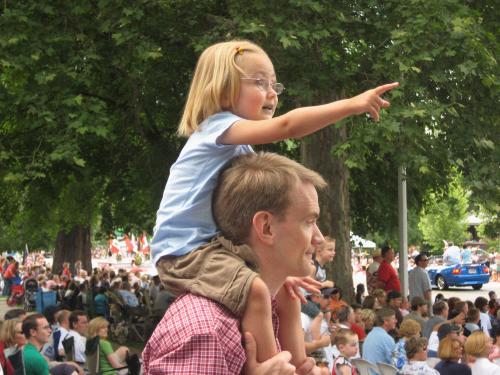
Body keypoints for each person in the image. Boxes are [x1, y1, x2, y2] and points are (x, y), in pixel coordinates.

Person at [149, 39, 398, 370]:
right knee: (256, 290)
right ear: (222, 89)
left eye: (274, 84)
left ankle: (298, 363)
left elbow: (276, 201)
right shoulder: (217, 128)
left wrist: (307, 241)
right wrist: (351, 105)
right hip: (184, 253)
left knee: (287, 292)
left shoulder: (240, 150)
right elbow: (288, 126)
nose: (272, 93)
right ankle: (271, 365)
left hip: (213, 247)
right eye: (259, 82)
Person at [144, 152, 332, 374]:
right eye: (309, 221)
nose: (319, 238)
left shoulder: (272, 309)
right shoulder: (205, 330)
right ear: (266, 228)